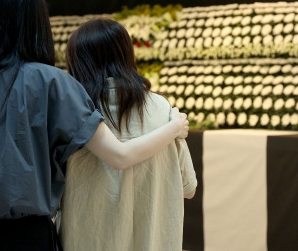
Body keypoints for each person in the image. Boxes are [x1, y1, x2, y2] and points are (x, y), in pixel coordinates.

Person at [0, 0, 189, 251]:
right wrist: (175, 126)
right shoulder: (53, 83)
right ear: (38, 25)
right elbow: (118, 156)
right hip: (24, 237)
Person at [61, 18, 197, 251]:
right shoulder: (162, 108)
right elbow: (189, 188)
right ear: (127, 54)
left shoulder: (74, 112)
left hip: (89, 240)